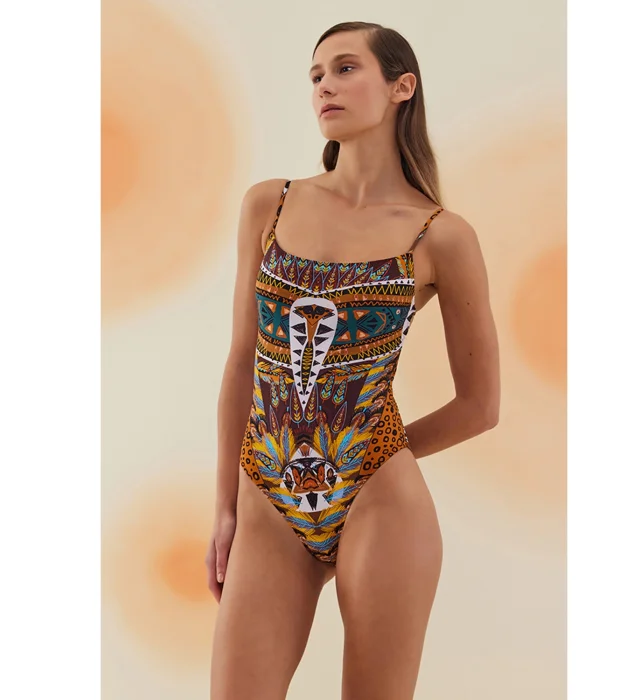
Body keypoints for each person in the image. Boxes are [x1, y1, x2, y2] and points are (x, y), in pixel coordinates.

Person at [205, 20, 500, 700]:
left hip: (380, 501)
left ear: (402, 87)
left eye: (344, 69)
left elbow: (480, 407)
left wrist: (371, 455)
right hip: (266, 496)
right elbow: (242, 362)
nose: (324, 87)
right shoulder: (270, 204)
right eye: (315, 75)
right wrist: (224, 507)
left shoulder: (440, 236)